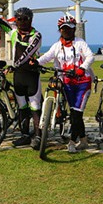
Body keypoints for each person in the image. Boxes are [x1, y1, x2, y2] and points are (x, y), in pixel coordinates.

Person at [0, 0, 43, 148]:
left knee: (35, 107)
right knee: (22, 107)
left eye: (25, 19)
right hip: (19, 76)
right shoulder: (13, 32)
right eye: (19, 19)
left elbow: (28, 52)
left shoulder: (36, 35)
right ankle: (25, 135)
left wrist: (14, 65)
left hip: (31, 75)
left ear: (30, 20)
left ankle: (38, 136)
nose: (22, 22)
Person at [36, 16, 94, 153]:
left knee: (76, 113)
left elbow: (90, 56)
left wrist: (82, 68)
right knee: (75, 113)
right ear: (59, 30)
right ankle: (83, 140)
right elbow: (47, 57)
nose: (66, 31)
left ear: (74, 29)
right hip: (67, 83)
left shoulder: (80, 43)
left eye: (69, 28)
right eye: (63, 29)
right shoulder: (57, 46)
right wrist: (35, 62)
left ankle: (72, 142)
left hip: (83, 83)